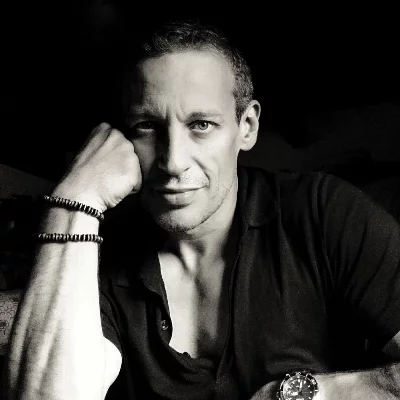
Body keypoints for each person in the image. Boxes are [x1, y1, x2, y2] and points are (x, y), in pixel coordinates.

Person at [4, 19, 400, 400]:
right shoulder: (95, 250)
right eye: (147, 126)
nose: (173, 161)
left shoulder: (322, 213)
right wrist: (75, 199)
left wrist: (313, 393)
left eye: (201, 125)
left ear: (246, 126)